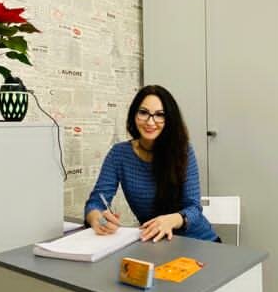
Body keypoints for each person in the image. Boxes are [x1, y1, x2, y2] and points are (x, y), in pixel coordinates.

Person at [84, 84, 219, 242]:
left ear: (169, 119)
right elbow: (95, 202)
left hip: (198, 241)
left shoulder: (183, 151)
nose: (150, 122)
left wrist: (171, 220)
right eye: (143, 113)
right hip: (154, 244)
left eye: (160, 115)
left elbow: (194, 208)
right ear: (134, 115)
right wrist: (96, 217)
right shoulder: (119, 154)